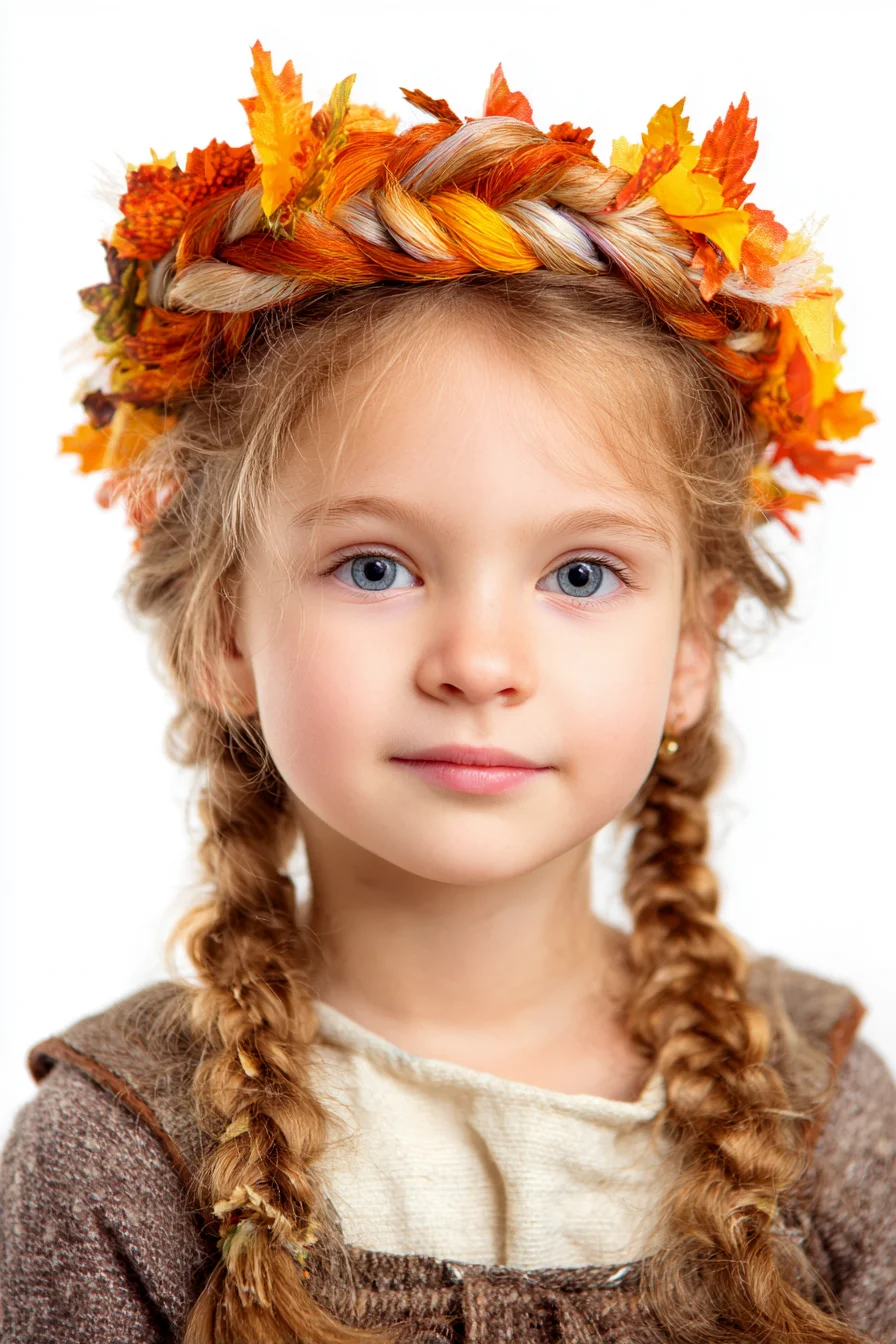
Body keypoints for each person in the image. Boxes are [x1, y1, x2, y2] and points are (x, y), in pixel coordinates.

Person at [0, 40, 891, 1344]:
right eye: (376, 565)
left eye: (581, 573)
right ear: (226, 627)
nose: (479, 661)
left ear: (692, 647)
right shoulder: (118, 1159)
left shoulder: (818, 1119)